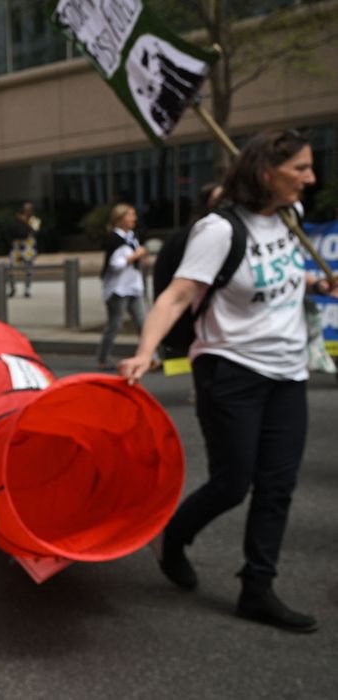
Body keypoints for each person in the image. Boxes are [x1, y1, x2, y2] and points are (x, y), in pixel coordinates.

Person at [121, 128, 335, 633]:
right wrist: (145, 352)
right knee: (233, 483)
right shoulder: (218, 230)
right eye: (300, 169)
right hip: (230, 370)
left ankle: (257, 588)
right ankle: (173, 536)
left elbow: (279, 271)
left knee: (278, 486)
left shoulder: (291, 217)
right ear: (267, 172)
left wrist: (316, 281)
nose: (311, 178)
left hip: (288, 372)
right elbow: (176, 297)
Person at [96, 203, 150, 369]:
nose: (134, 218)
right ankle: (103, 357)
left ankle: (150, 357)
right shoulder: (114, 239)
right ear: (120, 219)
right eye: (130, 215)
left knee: (144, 322)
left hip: (134, 286)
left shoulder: (132, 237)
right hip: (118, 288)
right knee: (115, 324)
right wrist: (136, 256)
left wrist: (140, 259)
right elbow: (115, 265)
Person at [6, 202, 39, 298]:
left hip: (28, 248)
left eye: (29, 209)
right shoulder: (17, 218)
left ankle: (27, 290)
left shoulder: (34, 220)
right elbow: (11, 230)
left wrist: (25, 222)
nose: (27, 211)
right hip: (16, 247)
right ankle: (12, 288)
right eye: (25, 209)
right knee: (10, 268)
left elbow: (35, 231)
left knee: (28, 269)